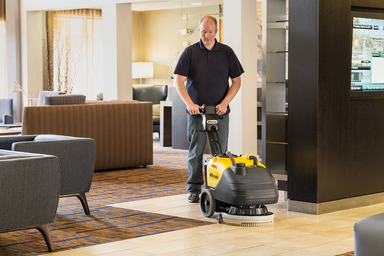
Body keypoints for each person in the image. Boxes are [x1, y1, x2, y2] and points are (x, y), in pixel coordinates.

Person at [174, 15, 244, 203]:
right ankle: (194, 190)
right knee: (195, 152)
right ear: (200, 31)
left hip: (220, 112)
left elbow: (237, 81)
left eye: (210, 32)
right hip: (197, 113)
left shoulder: (227, 52)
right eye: (203, 32)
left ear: (216, 31)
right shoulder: (190, 52)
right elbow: (179, 81)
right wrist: (189, 103)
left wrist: (226, 103)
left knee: (220, 153)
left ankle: (219, 189)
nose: (206, 36)